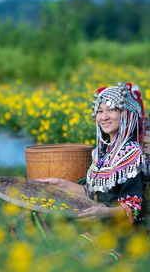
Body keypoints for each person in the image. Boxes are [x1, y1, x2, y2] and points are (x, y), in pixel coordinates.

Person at [38, 82, 150, 225]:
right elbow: (91, 192)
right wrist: (60, 183)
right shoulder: (102, 152)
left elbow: (133, 208)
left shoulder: (132, 156)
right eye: (100, 111)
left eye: (111, 110)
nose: (104, 117)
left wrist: (104, 212)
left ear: (125, 114)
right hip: (98, 222)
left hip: (120, 232)